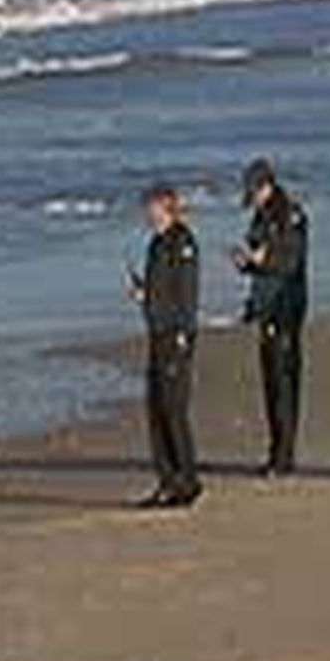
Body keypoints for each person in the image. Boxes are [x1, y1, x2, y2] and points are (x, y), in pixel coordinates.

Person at [233, 160, 309, 476]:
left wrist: (265, 258)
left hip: (285, 306)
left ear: (266, 186)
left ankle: (284, 456)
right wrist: (247, 263)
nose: (252, 197)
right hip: (266, 306)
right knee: (271, 381)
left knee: (283, 382)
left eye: (254, 190)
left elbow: (291, 260)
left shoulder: (290, 214)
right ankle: (276, 451)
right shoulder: (262, 213)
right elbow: (264, 260)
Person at [129, 185, 203, 509]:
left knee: (173, 410)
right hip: (157, 333)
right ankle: (168, 481)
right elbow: (162, 291)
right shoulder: (157, 244)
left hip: (174, 336)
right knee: (156, 410)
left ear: (167, 208)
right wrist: (144, 295)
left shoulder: (182, 242)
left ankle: (186, 480)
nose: (148, 214)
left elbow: (187, 294)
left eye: (153, 208)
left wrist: (184, 335)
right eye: (147, 209)